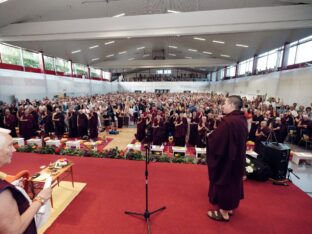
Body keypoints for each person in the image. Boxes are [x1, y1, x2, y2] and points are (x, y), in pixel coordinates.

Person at [0, 128, 52, 234]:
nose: (14, 150)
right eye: (9, 146)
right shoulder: (3, 193)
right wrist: (40, 199)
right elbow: (14, 231)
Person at [206, 95, 248, 222]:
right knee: (233, 183)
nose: (222, 106)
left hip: (228, 160)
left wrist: (210, 136)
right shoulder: (242, 119)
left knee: (225, 183)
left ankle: (223, 213)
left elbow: (217, 140)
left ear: (231, 104)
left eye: (224, 103)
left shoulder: (228, 122)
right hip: (237, 158)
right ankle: (229, 208)